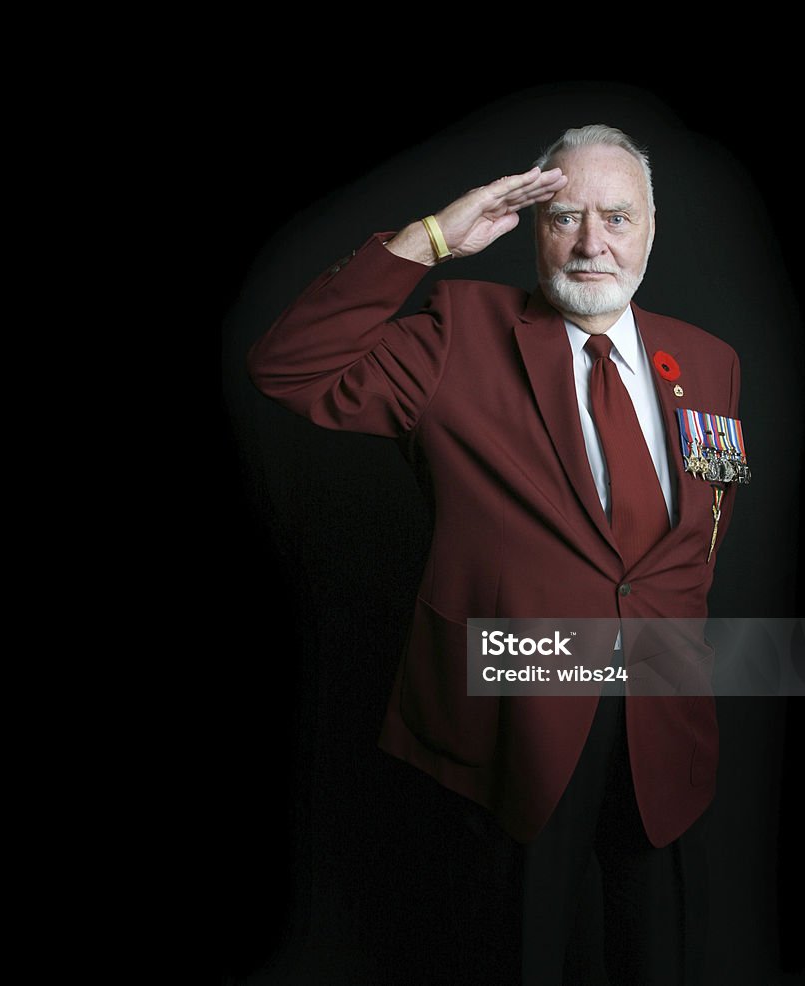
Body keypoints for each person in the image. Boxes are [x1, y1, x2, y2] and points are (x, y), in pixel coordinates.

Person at [247, 124, 743, 985]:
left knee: (657, 955)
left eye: (617, 218)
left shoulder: (708, 361)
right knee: (516, 954)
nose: (593, 244)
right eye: (565, 217)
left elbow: (704, 523)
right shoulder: (457, 334)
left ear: (653, 227)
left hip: (661, 723)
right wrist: (431, 239)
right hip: (516, 724)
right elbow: (288, 367)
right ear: (530, 225)